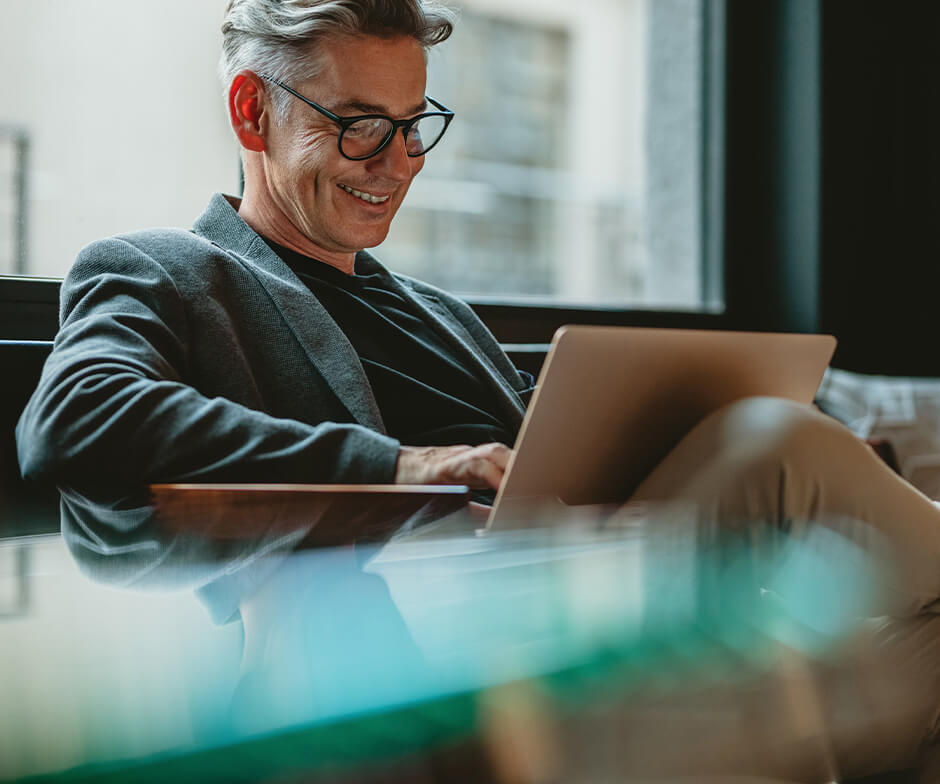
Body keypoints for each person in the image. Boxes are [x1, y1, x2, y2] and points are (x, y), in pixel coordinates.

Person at [11, 0, 940, 773]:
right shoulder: (165, 271)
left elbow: (547, 461)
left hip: (600, 602)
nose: (401, 162)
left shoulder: (442, 314)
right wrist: (400, 466)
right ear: (252, 112)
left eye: (415, 125)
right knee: (773, 446)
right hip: (435, 652)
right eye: (361, 125)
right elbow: (78, 416)